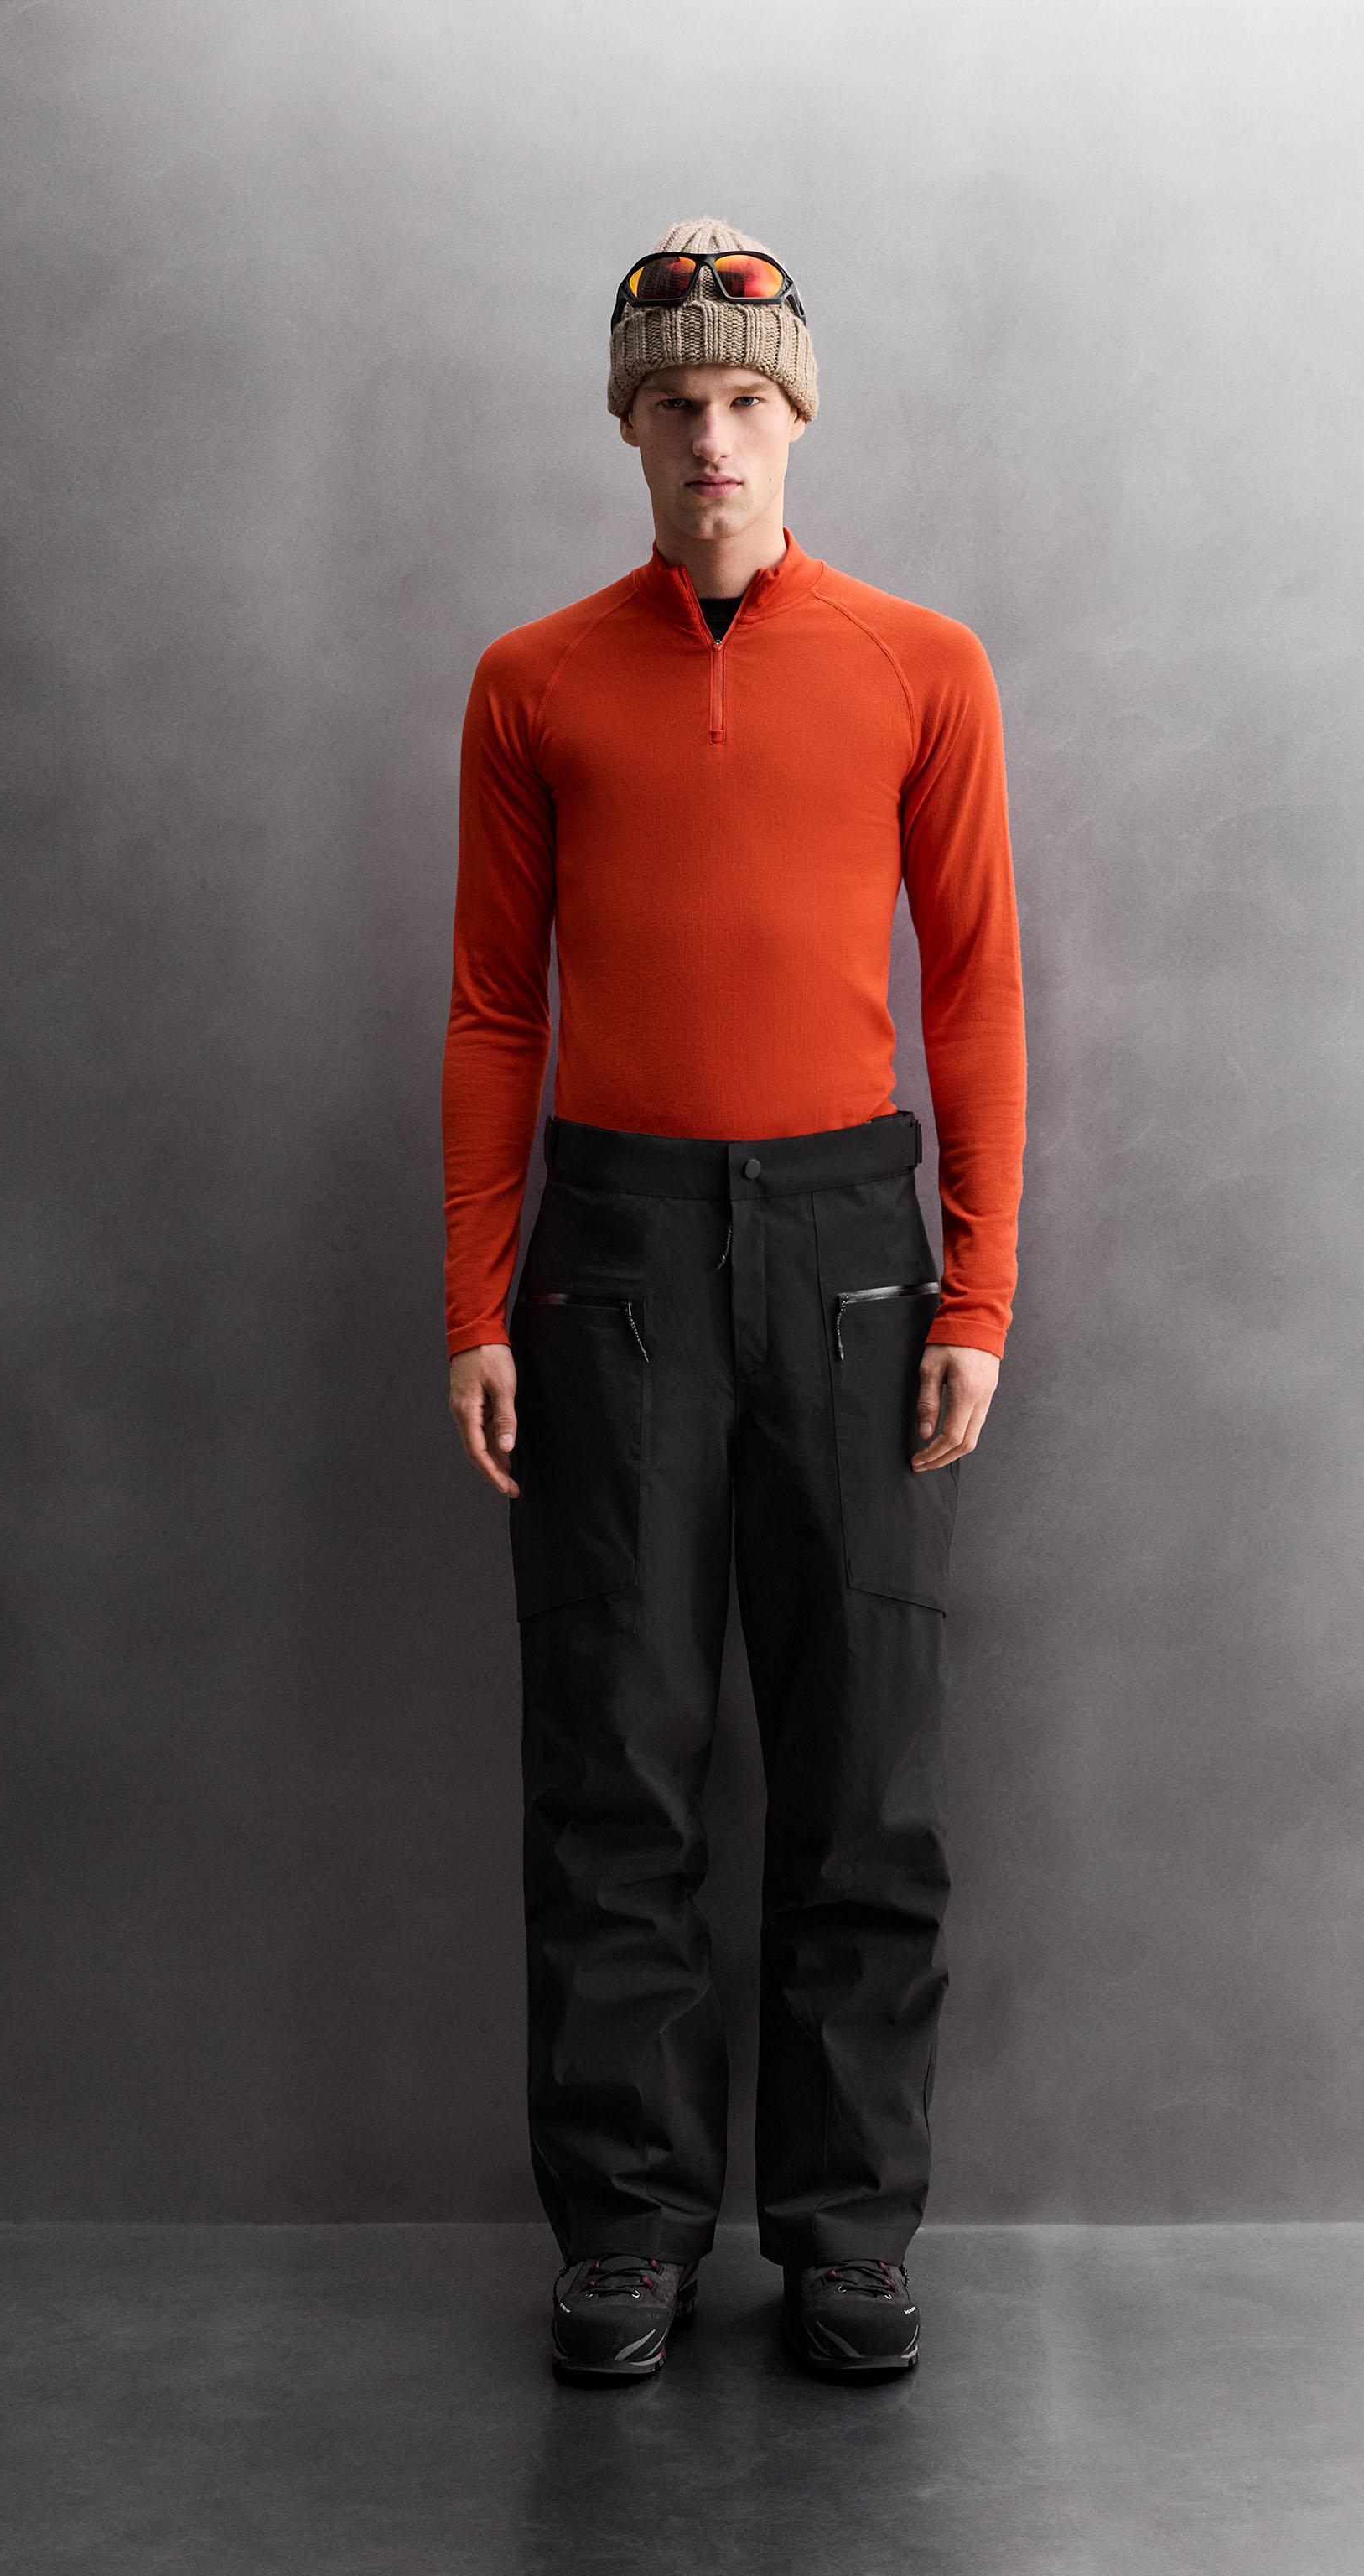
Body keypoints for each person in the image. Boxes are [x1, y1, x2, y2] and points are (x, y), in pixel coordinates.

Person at [441, 217, 1026, 2381]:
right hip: (608, 1251)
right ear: (630, 425)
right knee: (618, 1755)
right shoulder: (532, 682)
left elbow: (973, 993)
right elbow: (496, 1004)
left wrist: (978, 1287)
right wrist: (473, 1290)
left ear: (797, 422)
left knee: (863, 1757)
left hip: (854, 1248)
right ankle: (627, 2228)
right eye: (677, 401)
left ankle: (849, 2232)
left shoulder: (919, 667)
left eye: (749, 400)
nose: (715, 436)